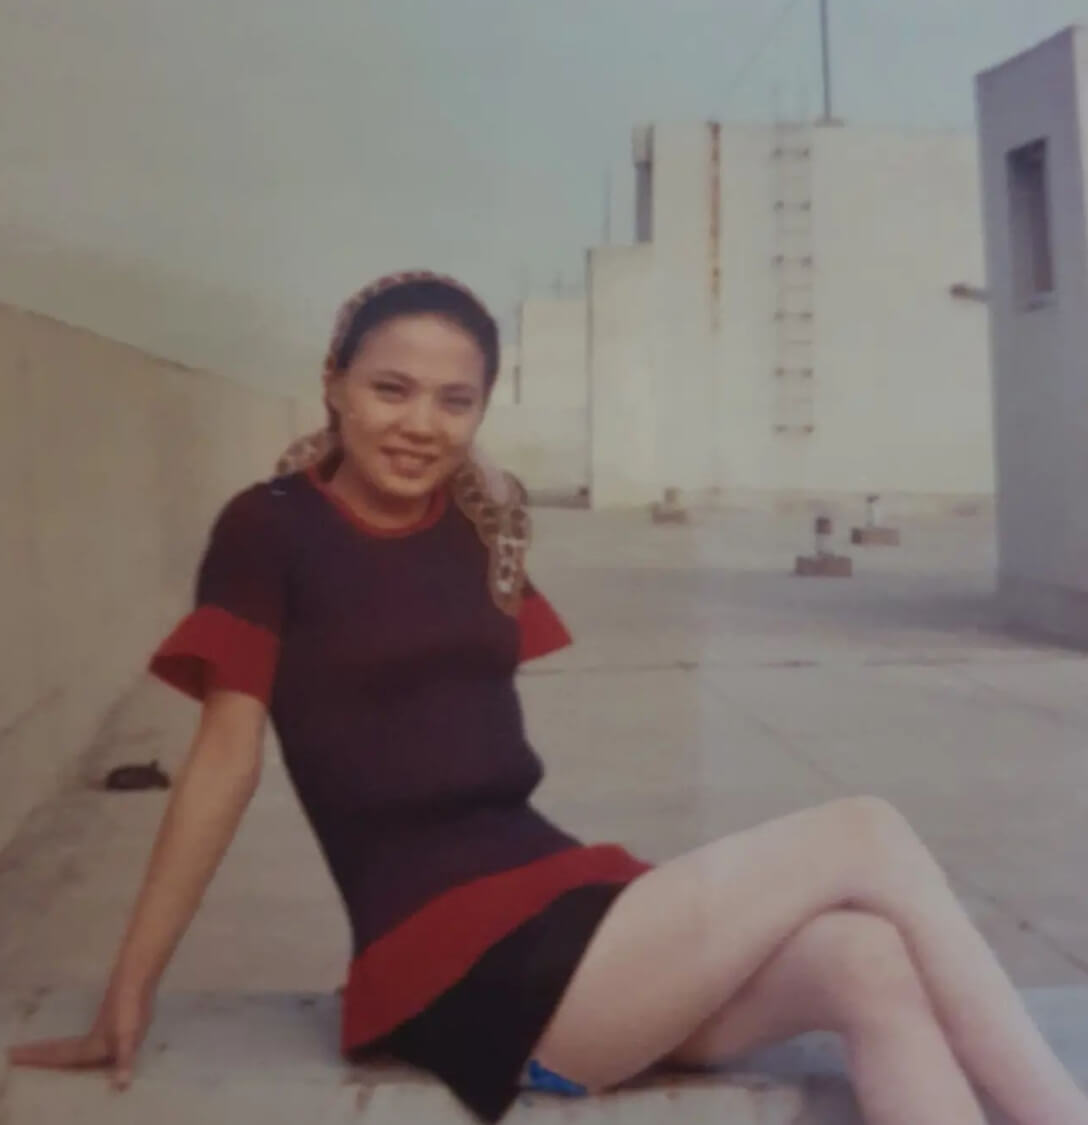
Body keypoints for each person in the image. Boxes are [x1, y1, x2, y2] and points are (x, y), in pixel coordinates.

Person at [8, 271, 1088, 1125]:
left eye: (455, 400)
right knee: (863, 830)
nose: (420, 423)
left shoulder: (477, 527)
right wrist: (130, 986)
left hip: (567, 910)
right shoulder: (268, 528)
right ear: (333, 383)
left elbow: (455, 741)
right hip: (454, 964)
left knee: (868, 962)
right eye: (390, 389)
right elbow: (224, 759)